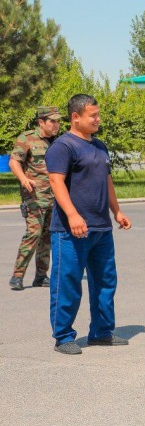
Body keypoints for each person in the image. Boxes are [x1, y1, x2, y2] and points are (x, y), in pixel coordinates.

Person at [45, 94, 132, 355]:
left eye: (98, 114)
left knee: (106, 281)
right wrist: (72, 215)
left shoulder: (100, 146)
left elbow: (107, 182)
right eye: (93, 115)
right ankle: (63, 336)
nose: (98, 119)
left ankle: (101, 332)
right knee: (67, 282)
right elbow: (56, 182)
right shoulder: (63, 147)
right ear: (76, 117)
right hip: (70, 230)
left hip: (101, 228)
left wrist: (116, 211)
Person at [8, 107, 62, 291]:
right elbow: (14, 162)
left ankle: (41, 276)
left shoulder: (60, 141)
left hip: (55, 196)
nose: (56, 125)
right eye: (52, 121)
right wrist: (23, 179)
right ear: (41, 122)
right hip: (34, 196)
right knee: (34, 233)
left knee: (47, 235)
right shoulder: (27, 138)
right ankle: (17, 276)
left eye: (58, 121)